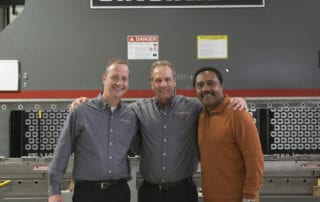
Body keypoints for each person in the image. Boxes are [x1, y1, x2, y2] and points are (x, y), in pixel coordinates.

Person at [70, 60, 247, 202]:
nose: (163, 85)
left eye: (167, 79)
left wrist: (238, 100)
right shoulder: (136, 110)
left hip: (183, 192)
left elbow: (216, 104)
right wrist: (86, 103)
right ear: (151, 84)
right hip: (150, 193)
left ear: (174, 81)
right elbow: (111, 110)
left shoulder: (194, 107)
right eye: (158, 80)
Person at [48, 58, 138, 202]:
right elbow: (62, 151)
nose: (119, 83)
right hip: (87, 193)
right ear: (104, 78)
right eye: (114, 77)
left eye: (124, 78)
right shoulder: (82, 111)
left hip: (119, 192)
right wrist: (54, 190)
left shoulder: (131, 115)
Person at [193, 66, 264, 202]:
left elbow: (255, 160)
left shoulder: (238, 114)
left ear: (221, 86)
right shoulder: (202, 116)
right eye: (200, 85)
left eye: (211, 83)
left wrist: (249, 195)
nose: (205, 89)